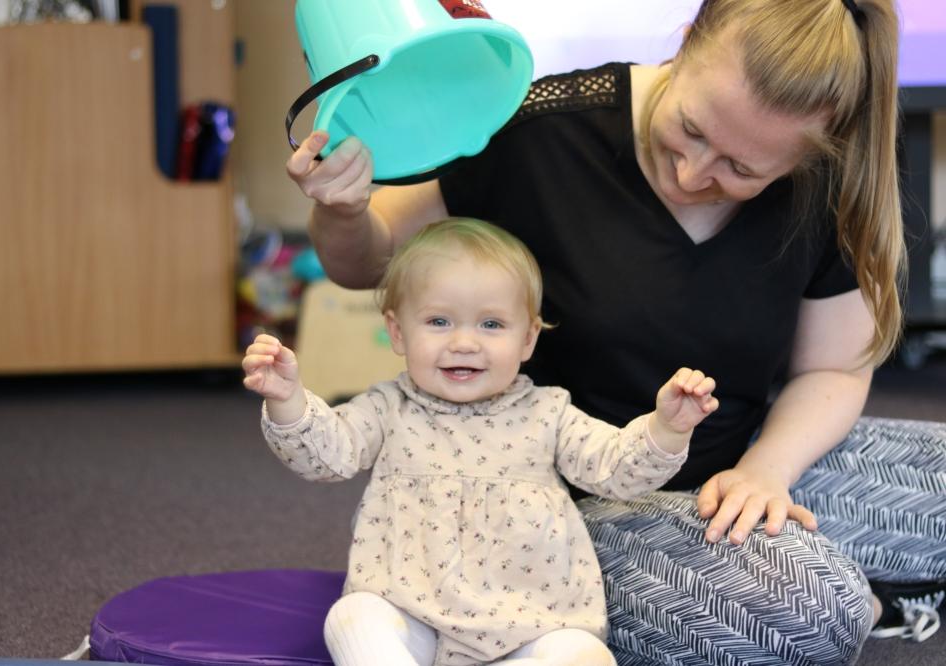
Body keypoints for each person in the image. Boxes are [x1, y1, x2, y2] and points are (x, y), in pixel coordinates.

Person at [284, 0, 946, 663]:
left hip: (737, 460)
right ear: (686, 43)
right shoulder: (539, 128)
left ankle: (847, 575)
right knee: (805, 611)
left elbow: (830, 371)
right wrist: (343, 211)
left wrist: (764, 473)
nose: (693, 175)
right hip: (563, 497)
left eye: (741, 171)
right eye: (689, 130)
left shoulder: (827, 176)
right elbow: (368, 260)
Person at [243, 218, 720, 666]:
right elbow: (326, 454)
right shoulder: (388, 408)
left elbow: (617, 469)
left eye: (491, 324)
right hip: (412, 613)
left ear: (528, 339)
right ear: (397, 332)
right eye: (439, 322)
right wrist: (288, 399)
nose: (465, 343)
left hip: (532, 622)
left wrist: (667, 428)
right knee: (352, 617)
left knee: (582, 653)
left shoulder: (549, 413)